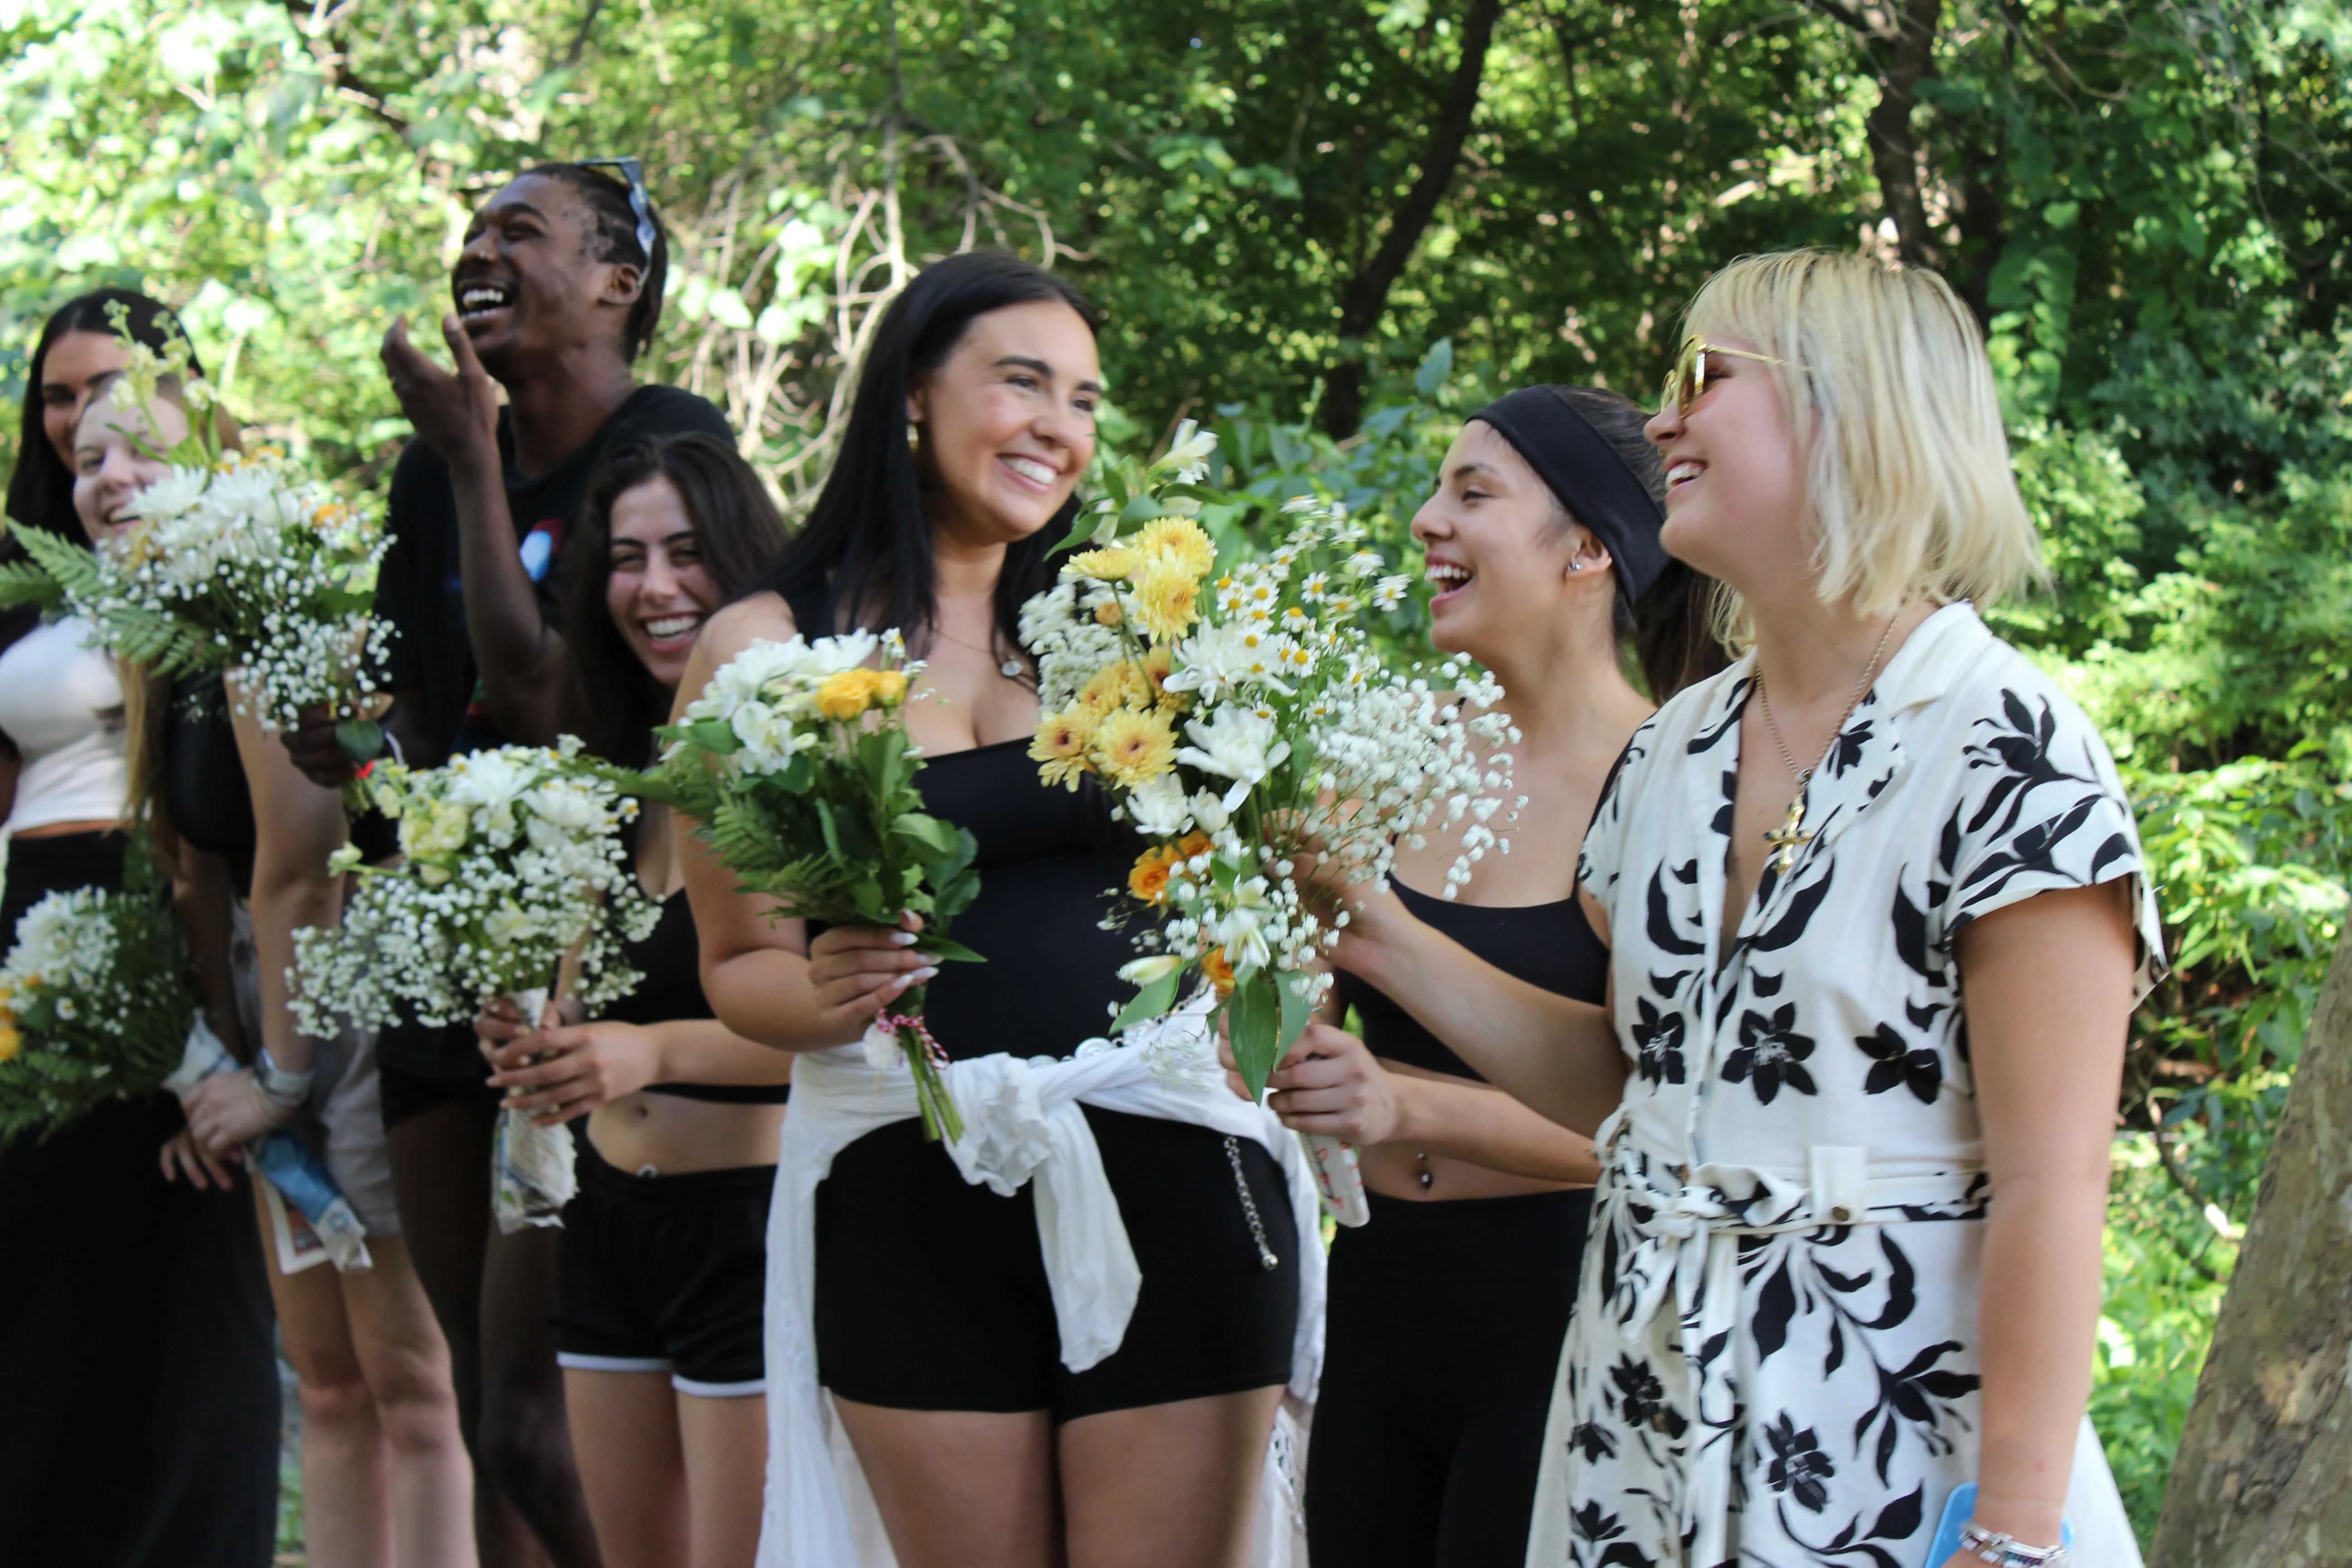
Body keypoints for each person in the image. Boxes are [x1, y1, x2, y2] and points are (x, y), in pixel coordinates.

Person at [1318, 249, 2161, 1568]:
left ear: (1849, 412)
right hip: (1635, 1418)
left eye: (1703, 378)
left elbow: (2055, 1190)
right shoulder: (1678, 749)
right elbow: (1640, 1087)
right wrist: (1377, 937)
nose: (1662, 422)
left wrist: (2013, 1535)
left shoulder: (2010, 748)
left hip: (1881, 1427)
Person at [676, 251, 1318, 1568]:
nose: (1060, 429)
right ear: (915, 389)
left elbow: (1236, 887)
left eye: (1083, 400)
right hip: (914, 1200)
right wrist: (823, 991)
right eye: (1022, 382)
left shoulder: (1118, 632)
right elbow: (736, 963)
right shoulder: (763, 649)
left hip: (1172, 1179)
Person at [316, 159, 732, 1568]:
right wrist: (357, 756)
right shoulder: (426, 474)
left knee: (533, 1422)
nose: (477, 252)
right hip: (446, 962)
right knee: (495, 1411)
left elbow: (547, 695)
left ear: (620, 281)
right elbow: (420, 716)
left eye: (520, 232)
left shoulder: (667, 449)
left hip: (598, 972)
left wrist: (474, 459)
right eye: (472, 231)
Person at [1246, 385, 1720, 1568]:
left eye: (1473, 493)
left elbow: (1681, 1117)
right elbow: (1279, 1044)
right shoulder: (1386, 753)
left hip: (1556, 1317)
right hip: (1376, 1304)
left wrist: (1410, 1106)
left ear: (1591, 551)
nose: (1425, 522)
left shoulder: (1676, 776)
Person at [66, 358, 482, 1565]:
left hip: (345, 999)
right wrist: (217, 1067)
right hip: (267, 1013)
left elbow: (303, 870)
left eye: (141, 450)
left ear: (220, 466)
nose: (111, 480)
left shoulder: (267, 615)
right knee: (327, 1377)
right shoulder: (161, 636)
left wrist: (284, 1083)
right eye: (90, 460)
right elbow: (197, 873)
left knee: (412, 1381)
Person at [471, 431, 793, 1568]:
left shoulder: (804, 772)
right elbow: (588, 1016)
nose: (655, 587)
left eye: (687, 552)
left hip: (750, 1236)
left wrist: (646, 1054)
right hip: (608, 1225)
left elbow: (869, 1032)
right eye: (626, 556)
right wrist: (538, 1046)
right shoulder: (608, 785)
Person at [0, 295, 279, 1566]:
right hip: (22, 937)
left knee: (169, 1286)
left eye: (109, 392)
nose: (81, 427)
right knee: (39, 1292)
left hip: (156, 920)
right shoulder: (32, 570)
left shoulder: (218, 567)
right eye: (59, 403)